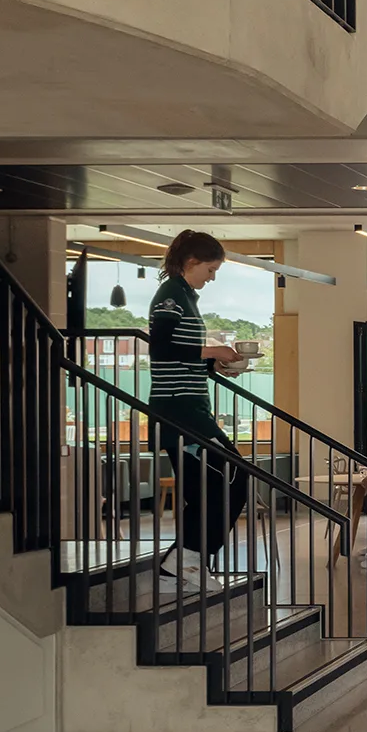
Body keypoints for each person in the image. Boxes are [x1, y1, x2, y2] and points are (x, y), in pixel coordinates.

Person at [146, 229, 248, 579]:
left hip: (189, 407)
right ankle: (186, 557)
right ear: (191, 262)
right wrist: (211, 351)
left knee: (208, 487)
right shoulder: (171, 295)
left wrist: (212, 365)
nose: (212, 277)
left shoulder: (185, 295)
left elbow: (178, 354)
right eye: (210, 269)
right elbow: (161, 347)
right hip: (179, 410)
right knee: (233, 476)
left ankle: (185, 560)